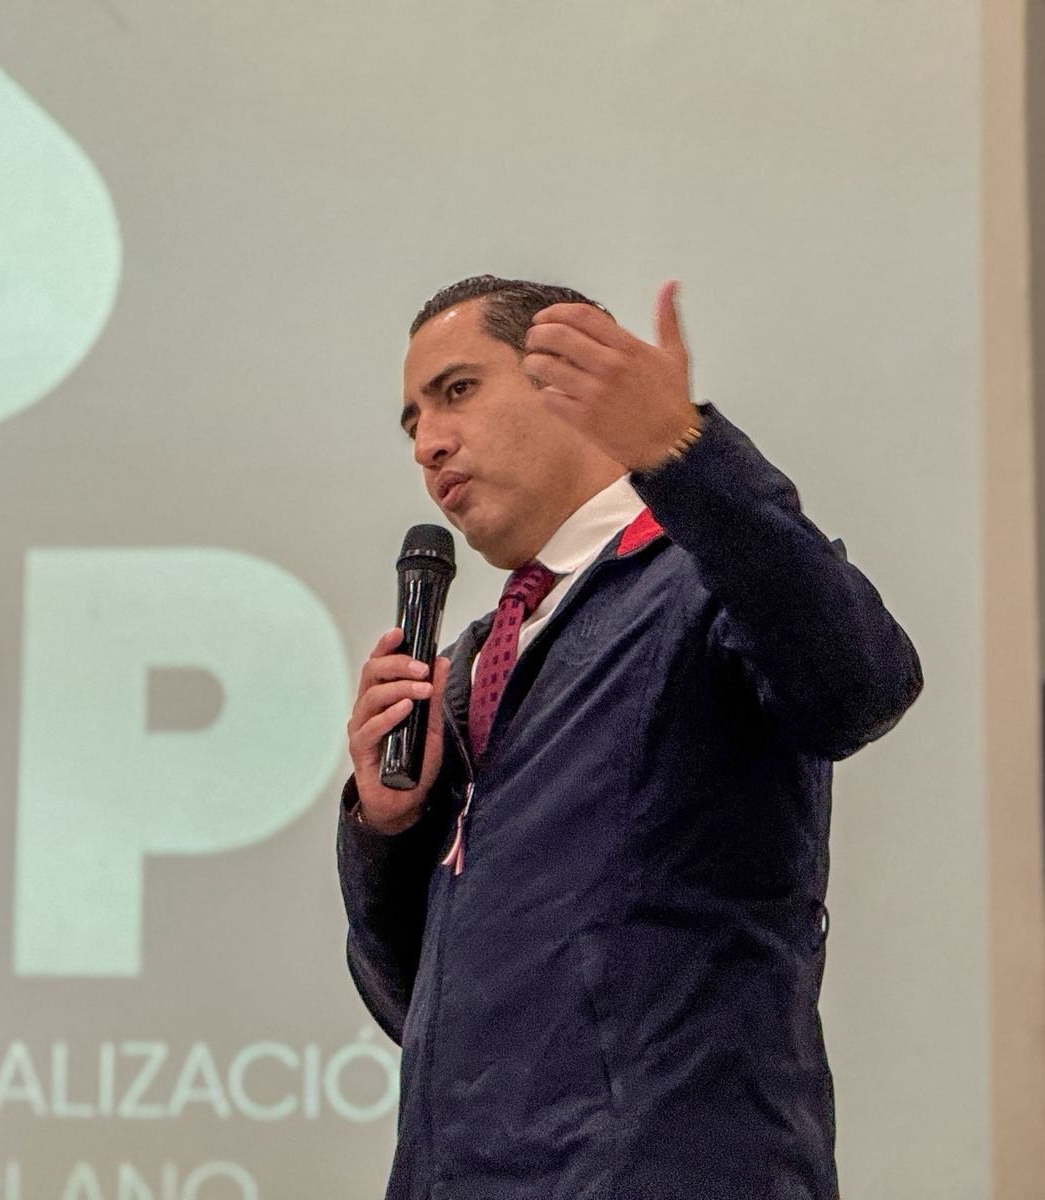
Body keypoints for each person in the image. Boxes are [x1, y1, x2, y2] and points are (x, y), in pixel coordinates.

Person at [337, 275, 923, 1200]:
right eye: (412, 421)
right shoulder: (468, 666)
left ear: (568, 379)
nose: (428, 443)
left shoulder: (701, 579)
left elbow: (860, 684)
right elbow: (423, 1011)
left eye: (457, 391)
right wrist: (390, 829)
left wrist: (683, 454)